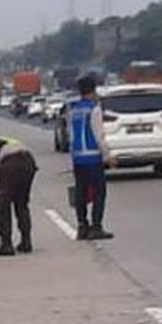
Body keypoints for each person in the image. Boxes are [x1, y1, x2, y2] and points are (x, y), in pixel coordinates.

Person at [68, 76, 114, 240]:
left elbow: (71, 135)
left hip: (78, 158)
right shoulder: (94, 109)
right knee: (99, 192)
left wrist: (72, 155)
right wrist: (108, 156)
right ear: (93, 91)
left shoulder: (73, 109)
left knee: (81, 192)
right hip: (93, 158)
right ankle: (96, 226)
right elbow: (98, 135)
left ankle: (82, 225)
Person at [0, 136, 37, 256]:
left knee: (3, 206)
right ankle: (26, 241)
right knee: (22, 203)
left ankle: (6, 244)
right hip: (28, 161)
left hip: (10, 163)